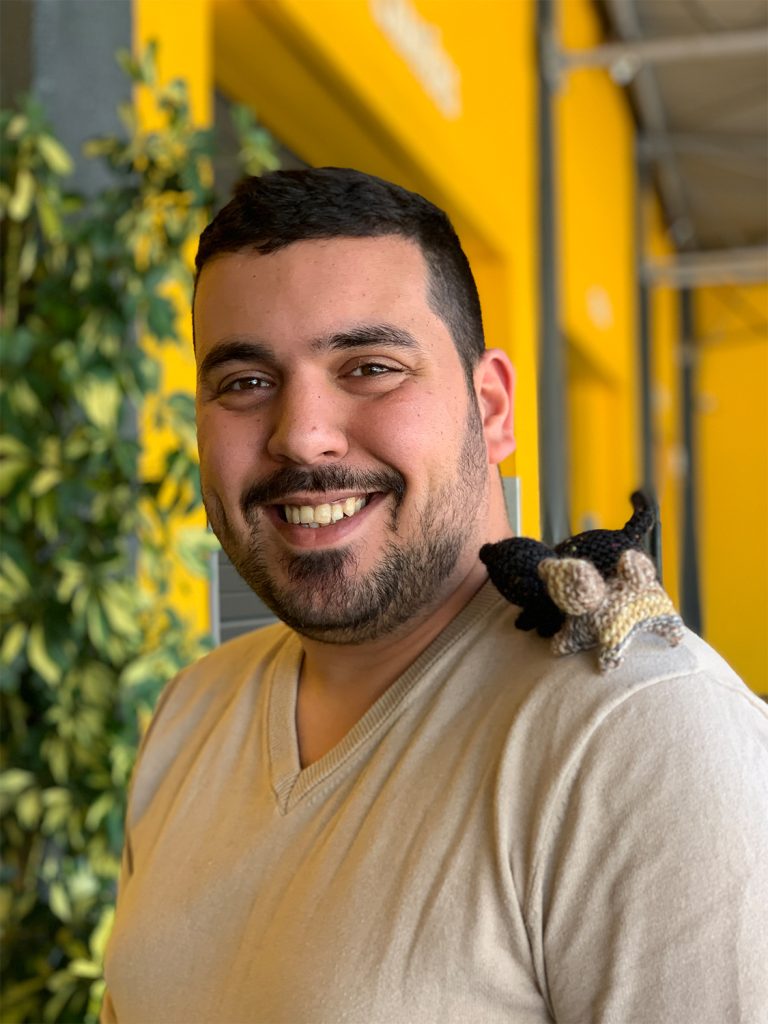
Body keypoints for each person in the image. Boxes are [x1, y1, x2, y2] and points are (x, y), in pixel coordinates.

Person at [102, 168, 768, 1024]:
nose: (301, 433)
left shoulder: (636, 734)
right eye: (244, 383)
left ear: (491, 409)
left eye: (370, 366)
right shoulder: (191, 717)